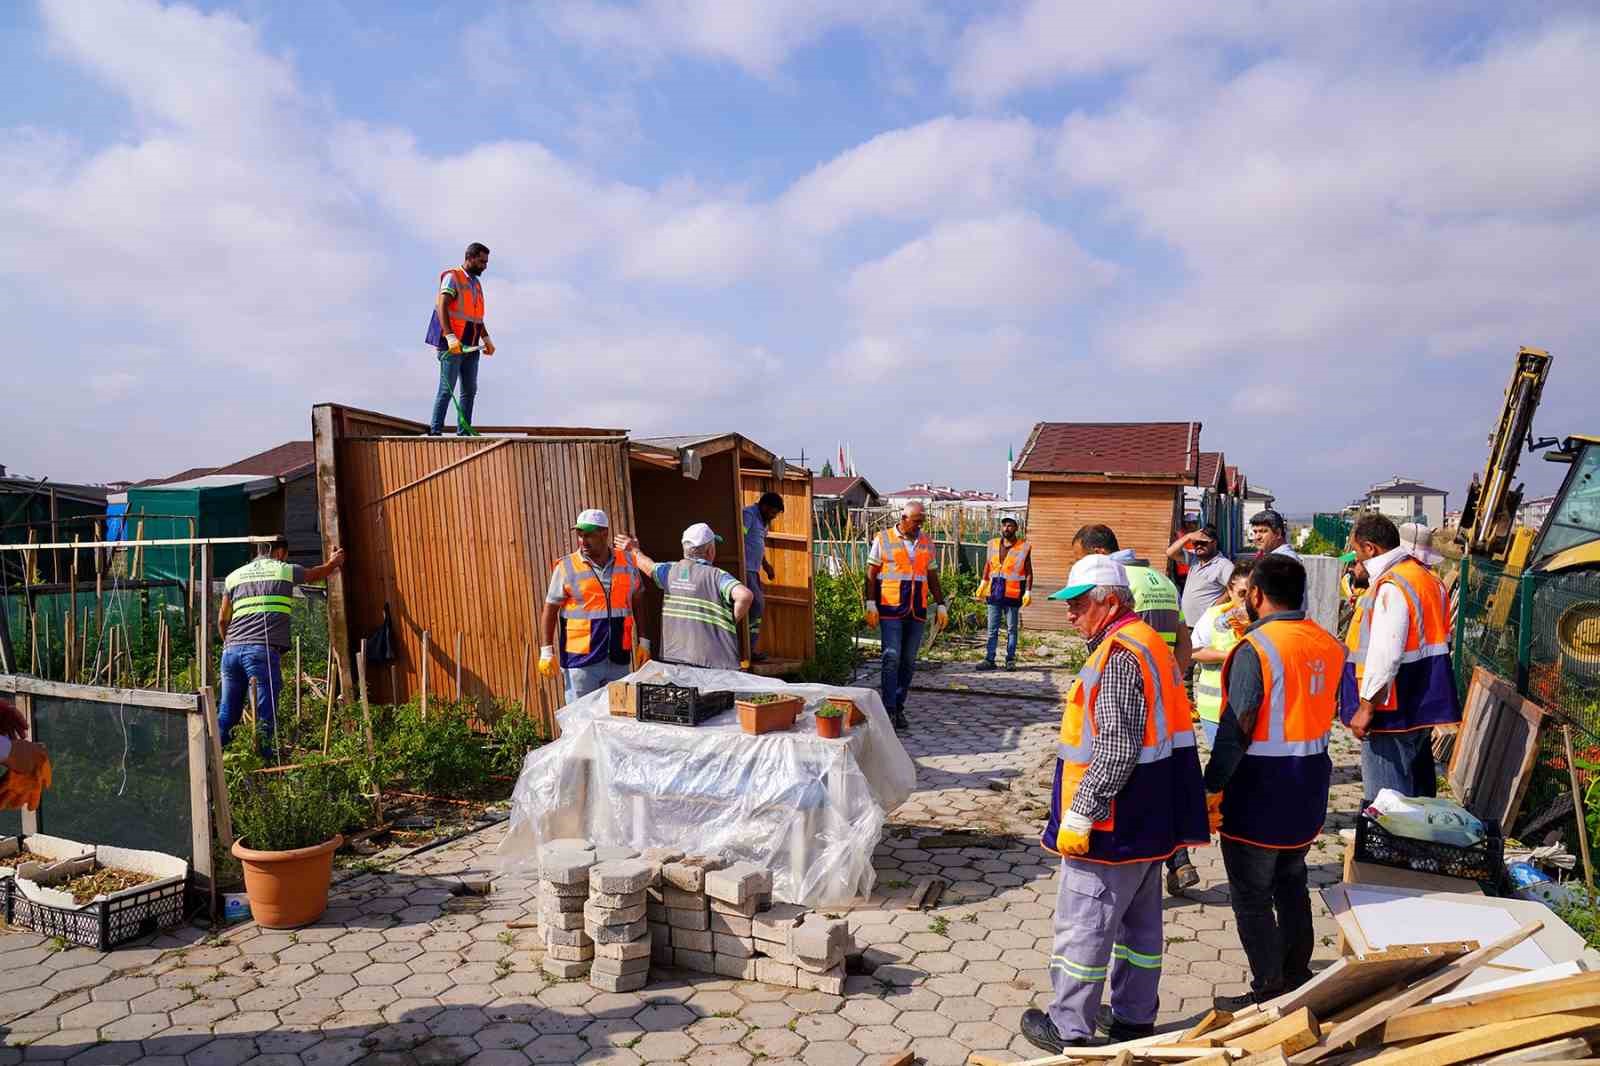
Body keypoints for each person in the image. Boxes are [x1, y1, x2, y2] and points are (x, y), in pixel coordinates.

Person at [1020, 554, 1209, 1052]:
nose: (1069, 614)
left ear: (1108, 602)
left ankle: (1070, 1029)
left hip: (1113, 824)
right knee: (1141, 929)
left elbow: (1118, 746)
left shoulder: (1119, 654)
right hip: (1151, 818)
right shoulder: (1148, 643)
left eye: (1078, 604)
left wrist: (1082, 809)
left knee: (1084, 928)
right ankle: (1132, 1019)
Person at [1203, 554, 1347, 1011]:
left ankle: (1269, 991)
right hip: (1309, 785)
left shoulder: (1257, 649)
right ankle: (1298, 974)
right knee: (1291, 882)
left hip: (1259, 791)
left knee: (1251, 895)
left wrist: (1211, 784)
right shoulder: (1327, 643)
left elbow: (1236, 727)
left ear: (1257, 596)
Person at [1072, 524, 1198, 895]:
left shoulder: (1119, 583)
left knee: (1133, 785)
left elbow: (1117, 647)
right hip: (1164, 689)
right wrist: (1175, 681)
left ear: (1097, 554)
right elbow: (1183, 638)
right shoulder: (1161, 580)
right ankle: (1179, 860)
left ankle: (1166, 863)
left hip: (1130, 695)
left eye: (1081, 560)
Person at [1342, 514, 1460, 802]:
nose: (1356, 559)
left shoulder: (1391, 586)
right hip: (1421, 700)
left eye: (1357, 551)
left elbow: (1386, 653)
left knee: (1387, 803)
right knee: (1417, 794)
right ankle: (1415, 846)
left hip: (1391, 707)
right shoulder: (1427, 579)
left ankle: (1390, 847)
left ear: (1370, 548)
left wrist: (1366, 707)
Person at [216, 536, 347, 746]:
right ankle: (264, 762)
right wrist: (333, 563)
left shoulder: (233, 577)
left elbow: (222, 620)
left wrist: (228, 643)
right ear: (279, 553)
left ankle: (215, 760)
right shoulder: (283, 570)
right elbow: (315, 574)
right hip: (261, 652)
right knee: (264, 715)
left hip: (230, 652)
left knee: (227, 713)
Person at [539, 509, 640, 703]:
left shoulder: (627, 562)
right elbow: (550, 609)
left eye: (589, 535)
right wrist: (546, 651)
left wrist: (644, 640)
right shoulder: (566, 566)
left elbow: (638, 596)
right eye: (580, 535)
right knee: (580, 720)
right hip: (581, 662)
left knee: (618, 719)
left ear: (605, 533)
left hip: (618, 658)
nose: (583, 540)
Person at [622, 523, 755, 671]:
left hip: (676, 658)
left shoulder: (669, 571)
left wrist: (633, 549)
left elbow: (647, 565)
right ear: (710, 551)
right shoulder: (717, 576)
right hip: (714, 663)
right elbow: (745, 596)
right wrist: (728, 621)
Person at [865, 502, 947, 731]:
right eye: (916, 521)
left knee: (909, 662)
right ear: (903, 518)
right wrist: (870, 602)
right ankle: (889, 709)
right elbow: (871, 573)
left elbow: (931, 576)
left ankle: (899, 706)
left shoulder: (926, 542)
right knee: (891, 658)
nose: (919, 525)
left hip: (917, 610)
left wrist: (940, 604)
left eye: (922, 521)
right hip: (890, 609)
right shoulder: (883, 539)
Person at [425, 242, 494, 436]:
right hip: (452, 346)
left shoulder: (476, 284)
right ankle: (435, 431)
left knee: (469, 391)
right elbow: (442, 306)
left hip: (471, 346)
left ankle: (463, 432)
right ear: (470, 258)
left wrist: (486, 338)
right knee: (447, 390)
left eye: (486, 262)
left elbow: (476, 317)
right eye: (482, 261)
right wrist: (449, 336)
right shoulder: (452, 278)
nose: (485, 266)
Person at [1190, 559, 1255, 746]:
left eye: (1252, 592)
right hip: (1215, 709)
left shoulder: (1264, 618)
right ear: (1229, 591)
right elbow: (1194, 651)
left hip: (1254, 710)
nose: (1247, 599)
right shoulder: (1213, 616)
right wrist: (1229, 657)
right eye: (1242, 593)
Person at [976, 516, 1033, 671]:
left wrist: (1028, 591)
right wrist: (983, 582)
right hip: (994, 592)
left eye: (1010, 525)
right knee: (992, 629)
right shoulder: (993, 544)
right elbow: (988, 565)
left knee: (1011, 629)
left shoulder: (1023, 547)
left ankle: (1010, 659)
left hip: (1013, 594)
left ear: (1016, 528)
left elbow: (1028, 572)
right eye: (1004, 525)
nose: (1006, 528)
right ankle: (989, 659)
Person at [740, 492, 784, 661]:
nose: (774, 516)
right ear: (764, 506)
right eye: (773, 512)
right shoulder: (749, 515)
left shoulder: (764, 522)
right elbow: (739, 538)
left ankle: (749, 649)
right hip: (745, 570)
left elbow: (758, 545)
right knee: (757, 605)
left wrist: (766, 565)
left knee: (756, 608)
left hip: (754, 570)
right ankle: (746, 650)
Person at [1169, 524, 1234, 629]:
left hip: (1206, 626)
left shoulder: (1224, 565)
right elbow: (1170, 552)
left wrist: (1217, 605)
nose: (1198, 546)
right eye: (1195, 543)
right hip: (1187, 624)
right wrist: (1188, 537)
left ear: (1214, 543)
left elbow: (1235, 588)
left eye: (1203, 542)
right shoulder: (1194, 560)